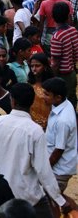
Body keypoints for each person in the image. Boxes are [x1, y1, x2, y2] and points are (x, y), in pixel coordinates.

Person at [0, 83, 72, 216]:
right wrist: (60, 200)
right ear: (32, 102)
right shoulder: (34, 130)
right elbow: (43, 170)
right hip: (27, 195)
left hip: (0, 192)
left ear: (12, 100)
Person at [42, 77, 77, 206]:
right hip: (58, 167)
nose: (43, 96)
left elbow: (59, 149)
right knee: (55, 199)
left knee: (52, 201)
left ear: (58, 97)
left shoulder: (63, 120)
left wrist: (45, 168)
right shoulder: (63, 104)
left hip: (59, 170)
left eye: (46, 94)